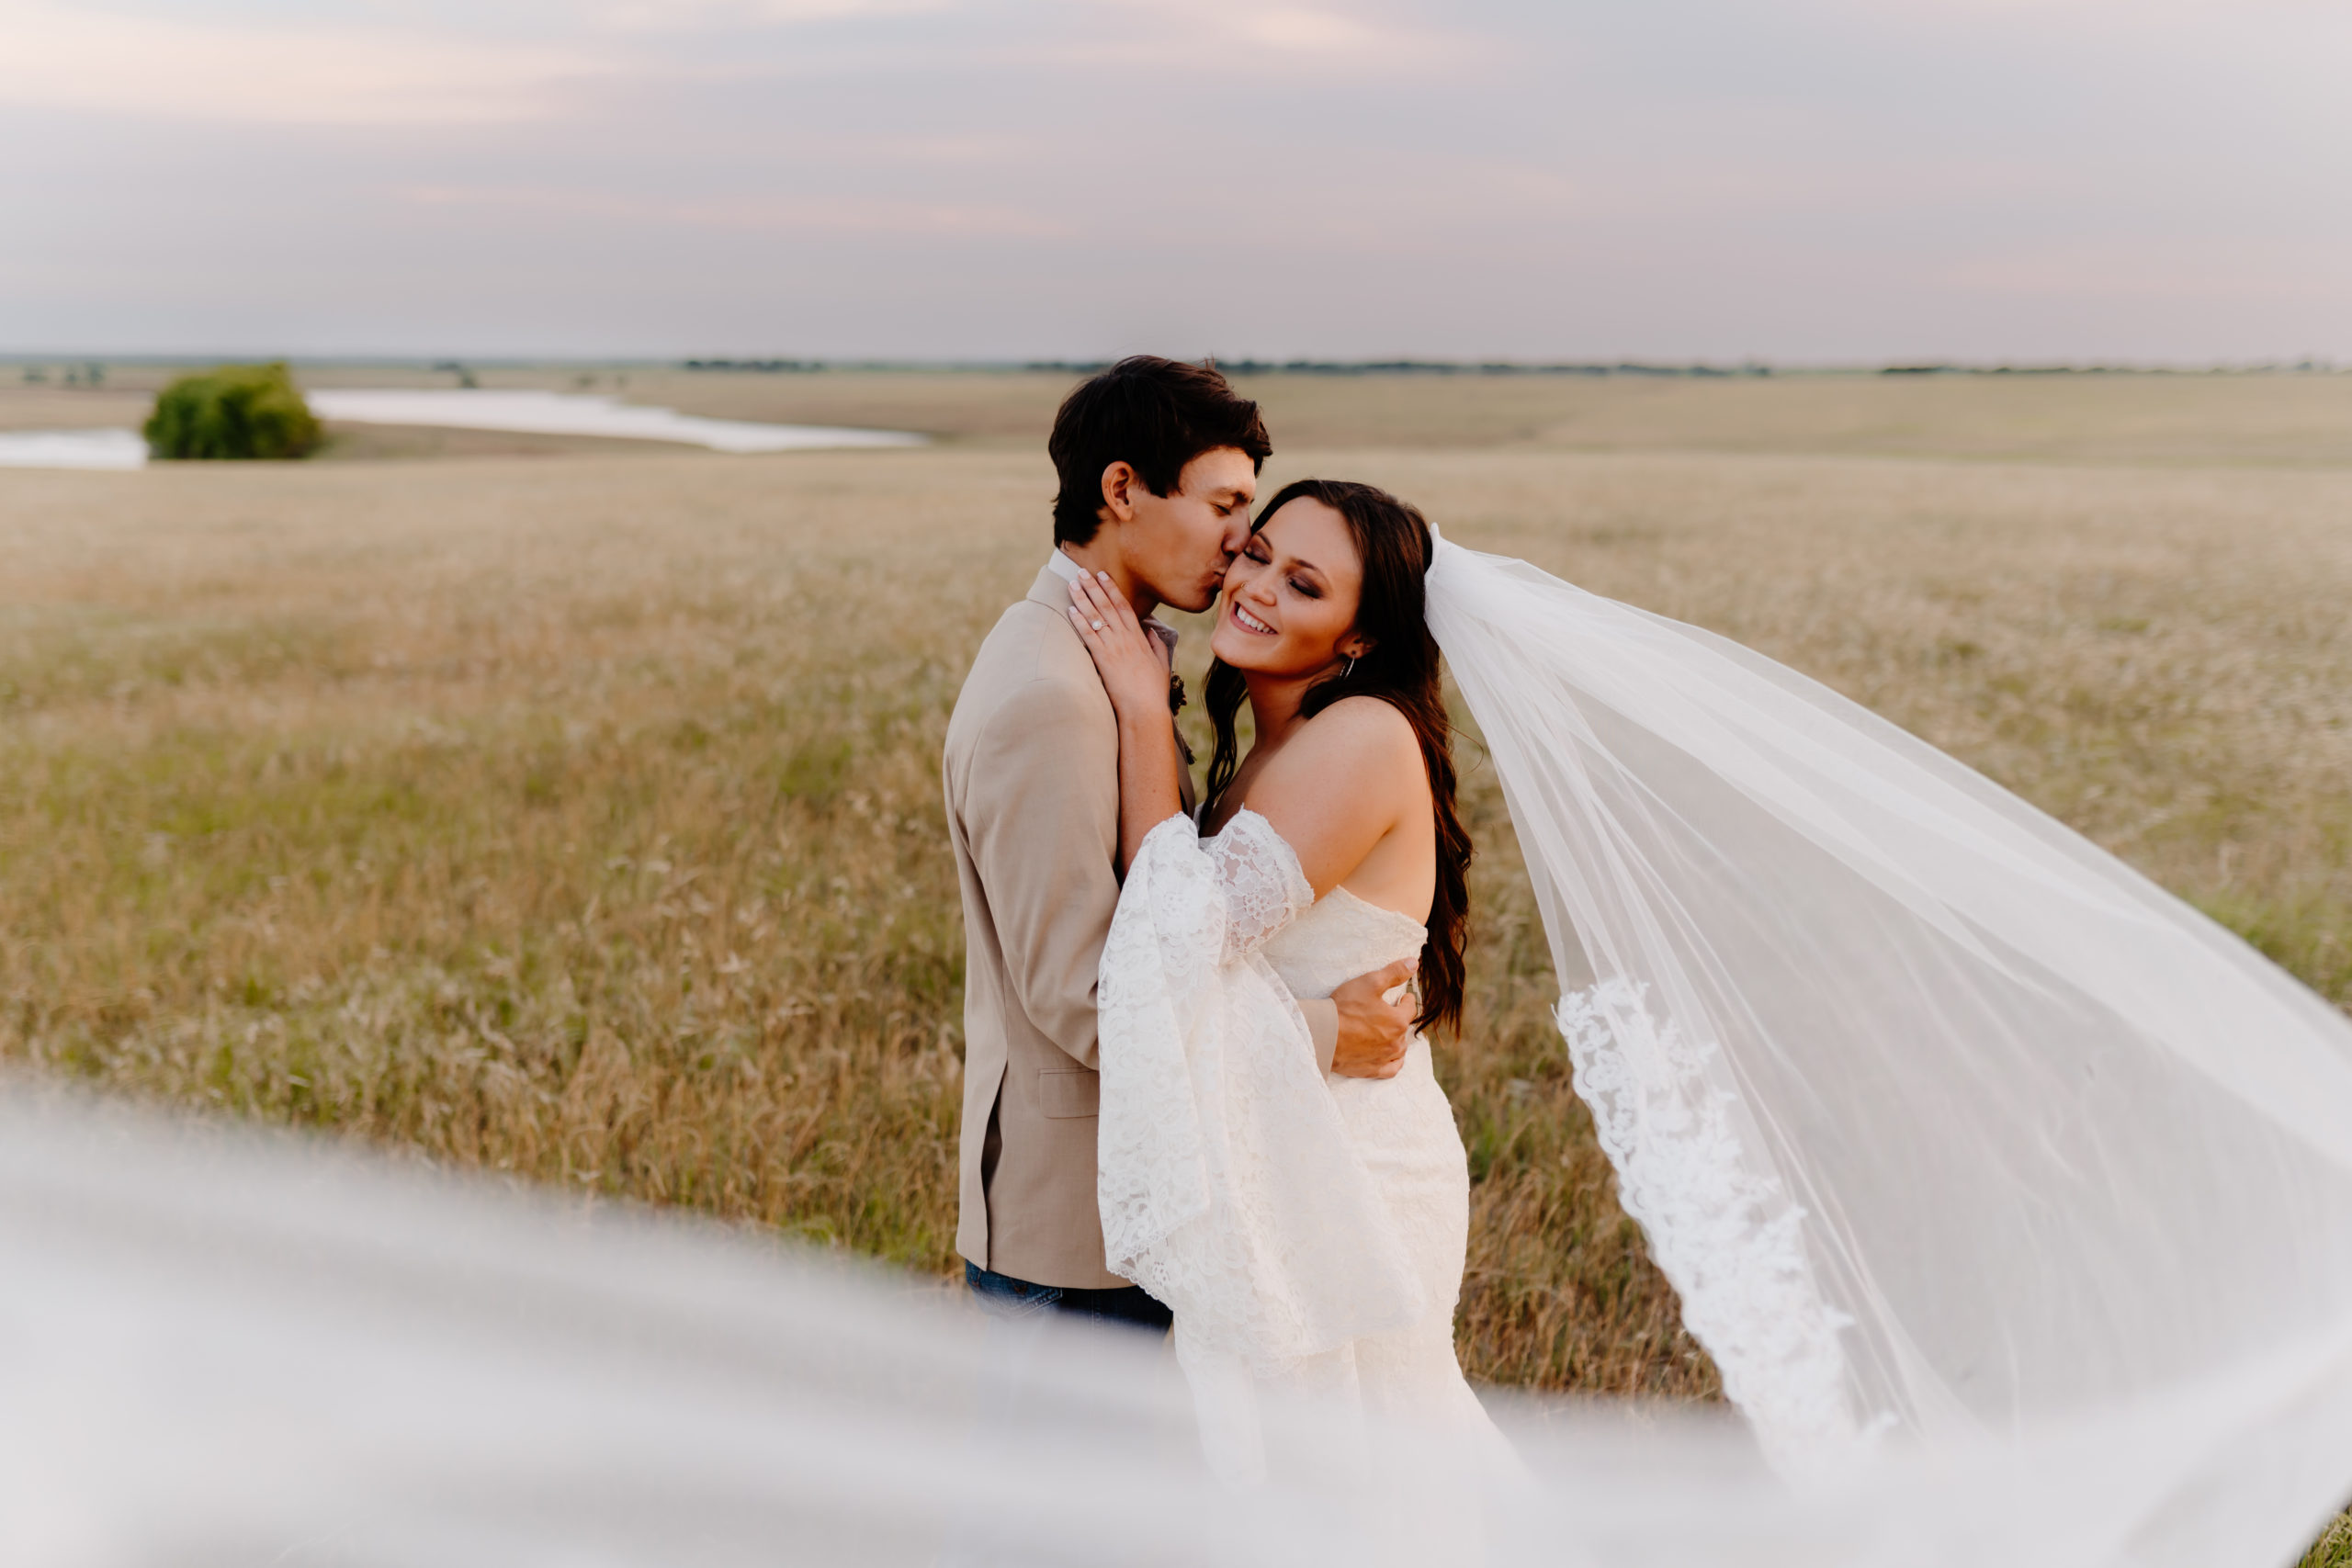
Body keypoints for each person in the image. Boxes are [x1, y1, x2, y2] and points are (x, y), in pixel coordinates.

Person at [941, 358, 1419, 1332]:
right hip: (1077, 1237)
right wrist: (1332, 1033)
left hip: (1141, 1212)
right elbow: (1086, 1002)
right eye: (1225, 505)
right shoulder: (1055, 696)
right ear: (1122, 490)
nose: (1241, 541)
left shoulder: (1090, 663)